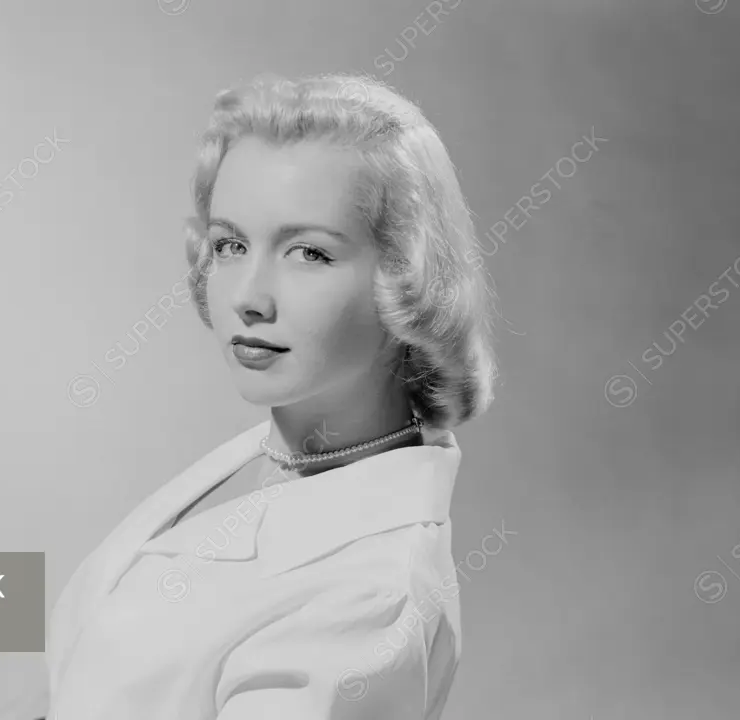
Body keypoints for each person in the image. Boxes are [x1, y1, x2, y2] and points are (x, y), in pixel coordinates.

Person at [45, 71, 496, 720]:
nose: (248, 297)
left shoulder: (372, 600)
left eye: (308, 253)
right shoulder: (269, 455)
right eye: (230, 244)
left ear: (407, 274)